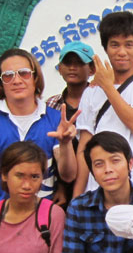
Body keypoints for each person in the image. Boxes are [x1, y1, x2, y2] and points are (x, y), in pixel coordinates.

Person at [74, 11, 133, 196]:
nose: (122, 52)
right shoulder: (91, 92)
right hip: (97, 194)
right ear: (106, 48)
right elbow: (85, 148)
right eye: (114, 45)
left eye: (129, 45)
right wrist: (77, 197)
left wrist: (108, 87)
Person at [0, 48, 78, 201]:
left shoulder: (55, 119)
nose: (16, 81)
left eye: (24, 73)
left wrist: (66, 144)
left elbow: (68, 176)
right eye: (8, 76)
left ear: (35, 78)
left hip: (42, 217)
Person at [0, 141, 65, 253]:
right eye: (19, 176)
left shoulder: (53, 215)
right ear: (4, 175)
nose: (27, 185)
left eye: (34, 177)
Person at [46, 41, 95, 207]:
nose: (73, 67)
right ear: (60, 69)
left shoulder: (101, 101)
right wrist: (59, 185)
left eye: (80, 63)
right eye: (67, 63)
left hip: (94, 182)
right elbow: (50, 149)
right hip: (61, 187)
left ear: (92, 69)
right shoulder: (51, 104)